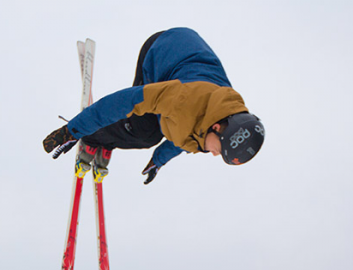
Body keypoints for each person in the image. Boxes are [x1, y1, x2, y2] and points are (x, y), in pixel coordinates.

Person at [43, 27, 265, 183]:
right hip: (161, 51)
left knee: (154, 133)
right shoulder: (182, 99)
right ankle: (94, 138)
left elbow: (186, 137)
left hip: (186, 54)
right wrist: (73, 131)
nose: (216, 155)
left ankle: (107, 136)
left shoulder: (220, 115)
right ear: (216, 127)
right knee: (143, 130)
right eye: (221, 150)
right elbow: (125, 101)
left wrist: (158, 161)